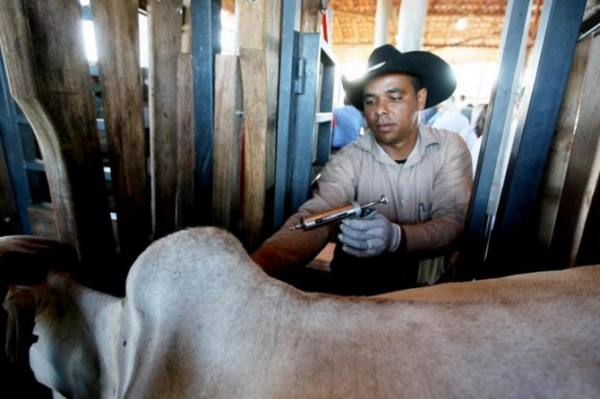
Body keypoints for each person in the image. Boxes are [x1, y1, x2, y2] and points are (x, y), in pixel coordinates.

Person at [251, 44, 473, 296]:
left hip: (425, 294)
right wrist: (260, 267)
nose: (380, 110)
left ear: (420, 99)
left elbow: (453, 222)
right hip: (356, 293)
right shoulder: (349, 159)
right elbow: (318, 216)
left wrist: (396, 238)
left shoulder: (448, 149)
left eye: (394, 97)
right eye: (371, 101)